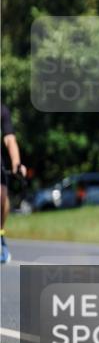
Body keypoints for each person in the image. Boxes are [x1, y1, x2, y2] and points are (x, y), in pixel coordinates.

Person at [1, 102, 27, 264]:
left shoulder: (2, 110)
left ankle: (0, 235)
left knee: (2, 193)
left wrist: (16, 163)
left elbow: (10, 139)